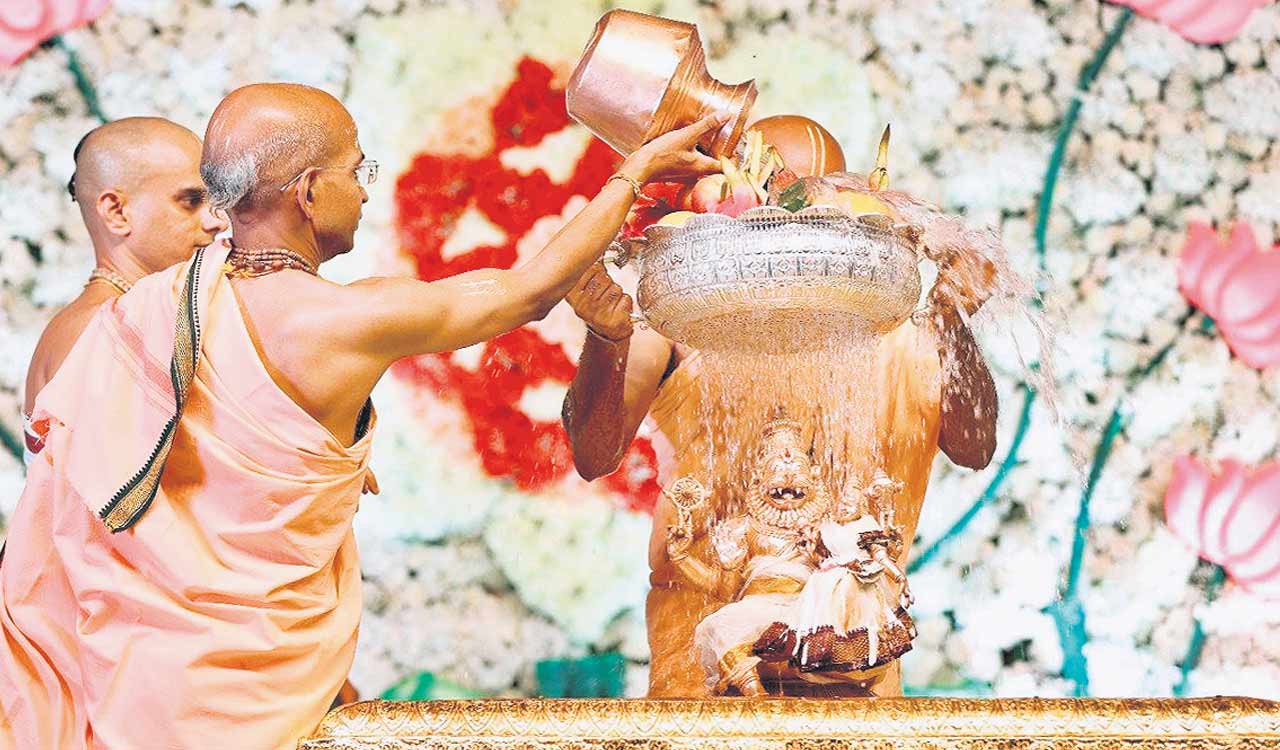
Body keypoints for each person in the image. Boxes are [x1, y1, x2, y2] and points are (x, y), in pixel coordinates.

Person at [0, 83, 722, 750]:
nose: (366, 190)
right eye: (358, 170)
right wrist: (633, 174)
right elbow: (524, 293)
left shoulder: (151, 316)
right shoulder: (336, 320)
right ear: (311, 191)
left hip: (141, 673)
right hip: (244, 690)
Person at [561, 218, 998, 697]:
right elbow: (594, 454)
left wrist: (952, 319)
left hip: (853, 641)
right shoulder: (686, 313)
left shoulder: (891, 319)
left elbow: (974, 446)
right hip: (700, 638)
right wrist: (605, 337)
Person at [21, 117, 226, 463]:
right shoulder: (97, 330)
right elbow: (110, 491)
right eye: (191, 201)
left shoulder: (134, 315)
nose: (216, 221)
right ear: (116, 212)